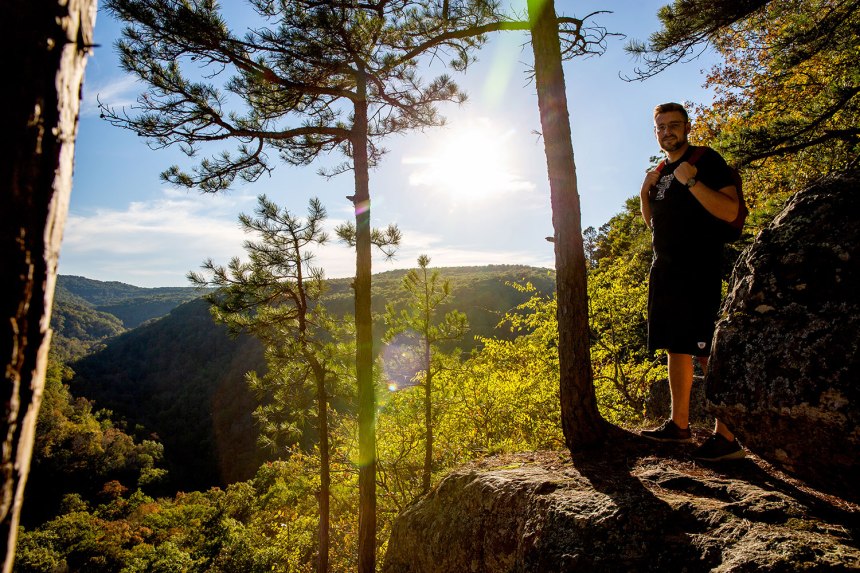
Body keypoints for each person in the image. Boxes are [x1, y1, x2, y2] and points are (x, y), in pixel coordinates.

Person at [639, 102, 745, 461]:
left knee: (705, 350)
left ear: (687, 127)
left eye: (674, 125)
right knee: (676, 347)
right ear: (655, 133)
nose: (667, 131)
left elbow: (730, 211)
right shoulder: (661, 171)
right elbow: (654, 225)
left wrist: (693, 180)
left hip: (698, 268)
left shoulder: (706, 160)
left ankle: (728, 437)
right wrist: (644, 195)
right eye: (661, 127)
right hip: (666, 270)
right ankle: (678, 426)